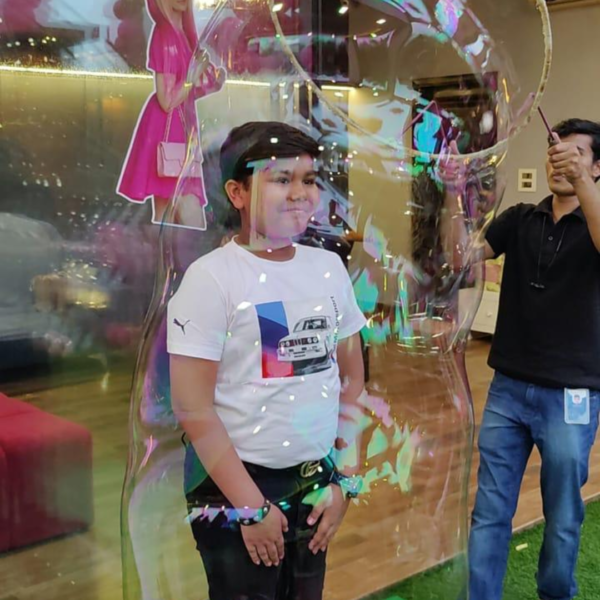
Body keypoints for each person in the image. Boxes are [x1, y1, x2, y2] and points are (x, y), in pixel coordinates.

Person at [167, 122, 366, 600]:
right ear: (237, 193)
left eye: (309, 179)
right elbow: (193, 408)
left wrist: (346, 480)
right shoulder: (211, 279)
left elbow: (352, 380)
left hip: (315, 481)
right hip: (232, 485)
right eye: (281, 179)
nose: (300, 193)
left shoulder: (328, 268)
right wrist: (250, 508)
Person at [468, 118, 600, 600]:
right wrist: (455, 199)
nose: (562, 160)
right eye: (556, 151)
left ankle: (555, 594)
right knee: (489, 511)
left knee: (563, 513)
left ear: (598, 167)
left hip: (572, 394)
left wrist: (582, 184)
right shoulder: (521, 218)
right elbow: (460, 261)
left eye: (578, 154)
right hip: (507, 389)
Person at [117, 0, 225, 230]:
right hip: (168, 127)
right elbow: (167, 101)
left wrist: (209, 84)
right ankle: (177, 251)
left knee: (167, 210)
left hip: (176, 126)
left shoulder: (181, 35)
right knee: (183, 206)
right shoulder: (166, 35)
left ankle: (165, 251)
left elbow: (179, 96)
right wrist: (192, 78)